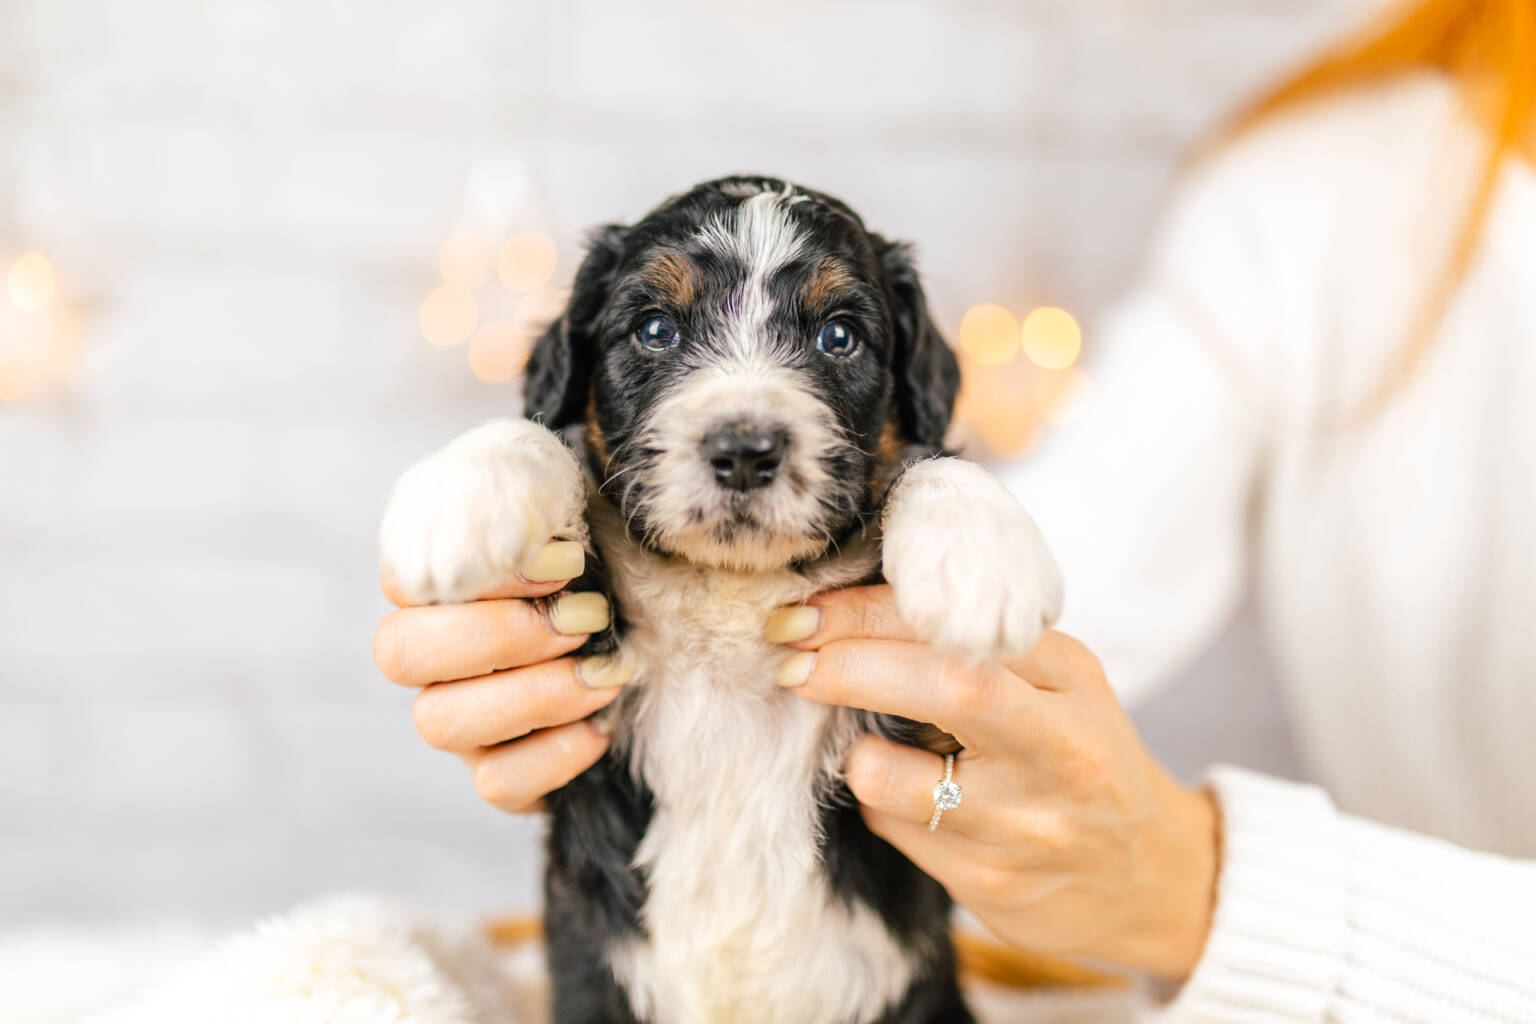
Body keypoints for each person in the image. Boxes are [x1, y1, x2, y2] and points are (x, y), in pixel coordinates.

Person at [373, 0, 1536, 1017]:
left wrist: (1198, 883)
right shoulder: (1338, 187)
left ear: (902, 376)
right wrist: (510, 496)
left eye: (837, 336)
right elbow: (1053, 592)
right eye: (658, 328)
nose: (741, 421)